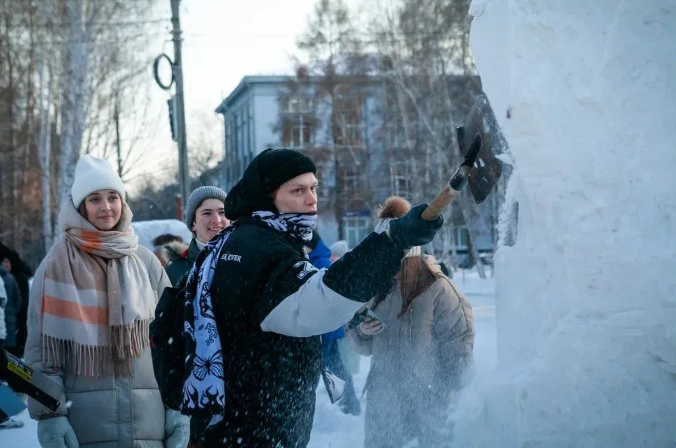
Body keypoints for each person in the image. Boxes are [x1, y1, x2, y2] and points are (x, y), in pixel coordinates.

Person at [184, 148, 443, 447]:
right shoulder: (259, 249)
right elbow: (319, 303)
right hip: (255, 427)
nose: (312, 199)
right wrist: (392, 240)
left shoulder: (246, 238)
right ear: (268, 197)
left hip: (241, 422)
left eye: (313, 188)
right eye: (298, 190)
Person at [25, 155, 190, 448]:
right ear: (80, 207)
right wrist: (50, 416)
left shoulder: (146, 262)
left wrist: (178, 408)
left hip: (148, 425)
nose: (106, 207)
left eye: (113, 197)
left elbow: (173, 345)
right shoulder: (55, 267)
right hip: (84, 426)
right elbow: (42, 352)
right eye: (95, 199)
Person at [347, 252, 475, 448]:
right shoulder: (378, 287)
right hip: (382, 397)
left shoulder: (439, 289)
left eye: (397, 262)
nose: (390, 268)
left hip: (427, 398)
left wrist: (449, 393)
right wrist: (362, 331)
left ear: (411, 259)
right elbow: (360, 343)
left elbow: (459, 346)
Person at [164, 186, 228, 286]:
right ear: (193, 223)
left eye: (222, 212)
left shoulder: (247, 260)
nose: (217, 220)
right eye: (207, 213)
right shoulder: (174, 272)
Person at [0, 244, 33, 357]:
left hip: (13, 327)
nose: (5, 265)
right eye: (4, 262)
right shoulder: (11, 277)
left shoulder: (15, 278)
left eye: (7, 262)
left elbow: (20, 306)